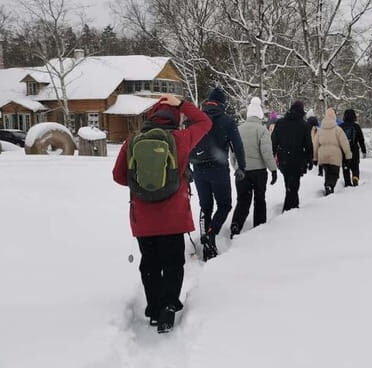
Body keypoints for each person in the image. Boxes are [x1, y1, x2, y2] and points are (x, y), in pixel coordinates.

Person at [112, 94, 212, 333]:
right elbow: (205, 122)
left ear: (151, 115)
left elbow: (118, 176)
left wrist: (144, 185)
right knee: (173, 262)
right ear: (176, 118)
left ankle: (155, 308)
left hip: (143, 219)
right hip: (173, 217)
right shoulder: (181, 138)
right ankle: (168, 306)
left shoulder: (133, 140)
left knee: (150, 263)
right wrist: (183, 104)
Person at [190, 87, 246, 260]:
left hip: (198, 168)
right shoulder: (227, 121)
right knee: (225, 205)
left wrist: (185, 168)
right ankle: (211, 234)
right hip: (218, 170)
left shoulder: (195, 119)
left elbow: (185, 144)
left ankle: (205, 235)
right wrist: (241, 167)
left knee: (205, 206)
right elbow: (238, 146)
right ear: (222, 103)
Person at [230, 98, 279, 238]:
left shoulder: (237, 129)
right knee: (259, 199)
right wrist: (273, 170)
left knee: (243, 200)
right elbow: (266, 153)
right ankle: (259, 226)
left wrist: (237, 167)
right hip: (259, 172)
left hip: (242, 172)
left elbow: (232, 153)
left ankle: (236, 224)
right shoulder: (262, 130)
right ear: (260, 115)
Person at [271, 101, 313, 211]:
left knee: (289, 183)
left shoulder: (280, 123)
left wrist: (273, 154)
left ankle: (293, 206)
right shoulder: (304, 125)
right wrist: (310, 159)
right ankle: (289, 209)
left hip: (283, 158)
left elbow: (274, 141)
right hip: (297, 158)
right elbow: (308, 144)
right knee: (294, 184)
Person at [313, 108, 353, 196]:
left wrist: (314, 158)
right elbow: (344, 142)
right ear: (334, 117)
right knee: (334, 173)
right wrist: (348, 155)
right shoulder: (337, 129)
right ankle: (330, 186)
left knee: (327, 172)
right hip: (335, 155)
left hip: (322, 155)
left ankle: (327, 186)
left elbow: (315, 145)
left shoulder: (320, 130)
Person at [340, 109, 367, 186]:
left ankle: (347, 183)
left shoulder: (340, 127)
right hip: (354, 149)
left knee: (346, 167)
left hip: (344, 150)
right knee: (355, 166)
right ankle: (355, 177)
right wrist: (363, 150)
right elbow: (361, 139)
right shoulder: (356, 126)